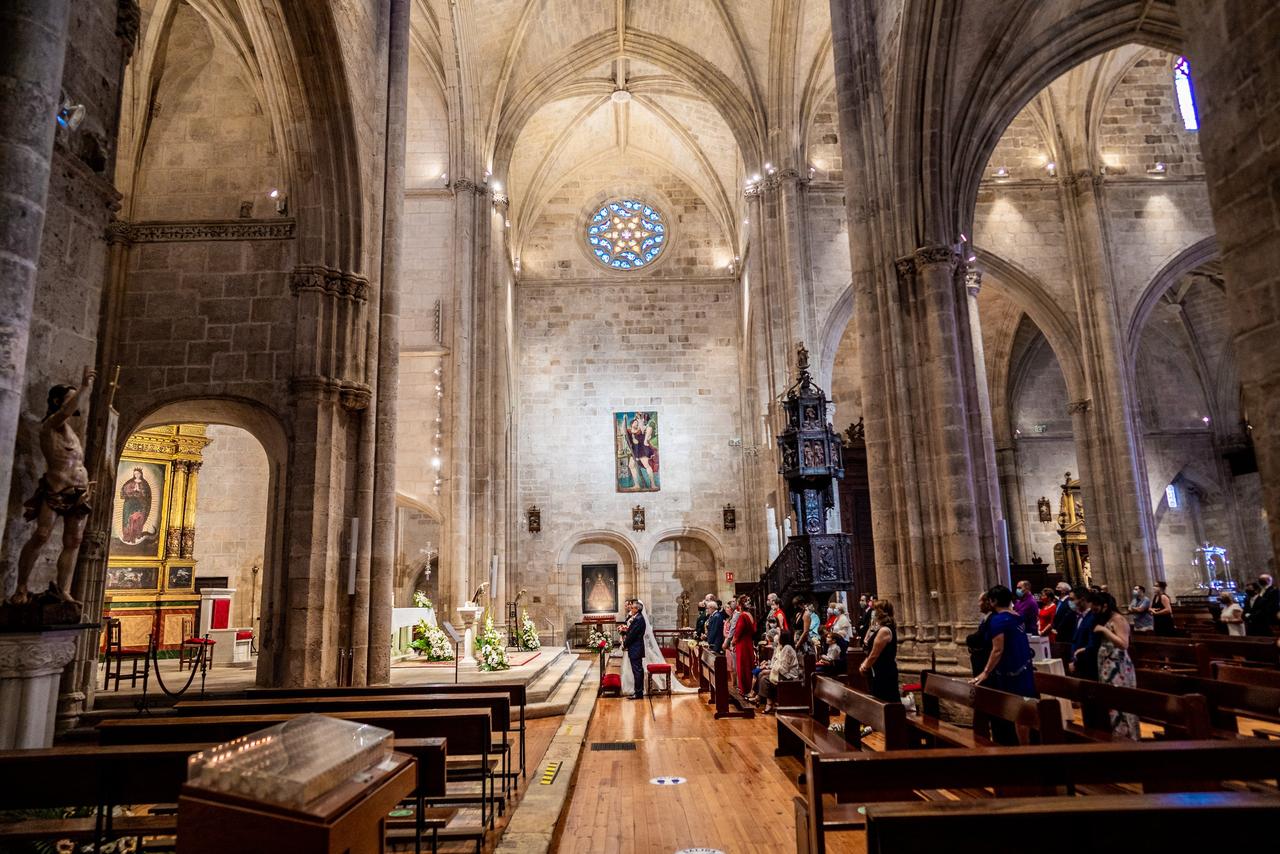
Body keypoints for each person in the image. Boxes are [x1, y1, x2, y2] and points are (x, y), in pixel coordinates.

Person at [11, 369, 97, 606]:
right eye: (70, 398)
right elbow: (65, 412)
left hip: (78, 493)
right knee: (41, 535)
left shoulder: (72, 433)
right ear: (58, 402)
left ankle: (64, 590)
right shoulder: (50, 425)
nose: (75, 403)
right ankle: (21, 588)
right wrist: (85, 388)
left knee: (74, 541)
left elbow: (76, 463)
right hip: (56, 489)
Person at [1090, 591, 1139, 740]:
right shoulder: (1105, 618)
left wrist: (1105, 630)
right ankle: (1115, 736)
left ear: (1105, 606)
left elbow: (1123, 644)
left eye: (1096, 607)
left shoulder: (1118, 619)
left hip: (1119, 667)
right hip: (1107, 666)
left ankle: (1126, 737)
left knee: (1121, 703)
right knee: (1110, 702)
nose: (1094, 610)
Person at [971, 585, 1036, 698]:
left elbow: (998, 649)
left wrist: (985, 672)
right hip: (1023, 663)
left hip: (1009, 667)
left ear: (994, 601)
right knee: (1024, 700)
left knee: (1011, 702)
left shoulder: (999, 620)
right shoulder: (1016, 615)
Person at [859, 601, 900, 703]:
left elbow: (874, 654)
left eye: (876, 610)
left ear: (881, 613)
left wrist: (865, 666)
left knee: (886, 701)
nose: (874, 613)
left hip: (884, 672)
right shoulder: (882, 628)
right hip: (880, 670)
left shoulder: (884, 630)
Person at [758, 630, 802, 714]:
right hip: (784, 673)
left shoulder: (787, 648)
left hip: (789, 675)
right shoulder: (785, 647)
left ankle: (769, 704)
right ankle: (769, 704)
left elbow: (784, 667)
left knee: (767, 679)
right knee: (766, 678)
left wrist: (773, 669)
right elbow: (779, 662)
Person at [1070, 586, 1099, 681]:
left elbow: (1093, 643)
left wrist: (1077, 660)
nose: (1070, 603)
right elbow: (1075, 640)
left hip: (1089, 664)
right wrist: (1073, 660)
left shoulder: (1093, 617)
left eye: (1072, 599)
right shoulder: (1079, 616)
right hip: (1079, 663)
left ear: (1082, 600)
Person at [622, 600, 647, 699]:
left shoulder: (639, 619)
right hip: (635, 648)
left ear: (637, 609)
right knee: (637, 670)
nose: (630, 609)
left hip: (636, 648)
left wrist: (625, 643)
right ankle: (638, 692)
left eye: (632, 608)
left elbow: (632, 635)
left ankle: (638, 693)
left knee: (637, 671)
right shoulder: (637, 618)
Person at [731, 596, 756, 693]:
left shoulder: (742, 616)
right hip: (748, 642)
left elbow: (738, 632)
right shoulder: (750, 614)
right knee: (749, 664)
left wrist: (733, 642)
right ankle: (750, 687)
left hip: (742, 644)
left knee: (742, 665)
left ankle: (744, 688)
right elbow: (754, 630)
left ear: (740, 605)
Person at [965, 592, 993, 676]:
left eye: (980, 601)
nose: (978, 604)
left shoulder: (992, 618)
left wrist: (969, 639)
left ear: (987, 602)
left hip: (985, 660)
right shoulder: (987, 618)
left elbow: (982, 638)